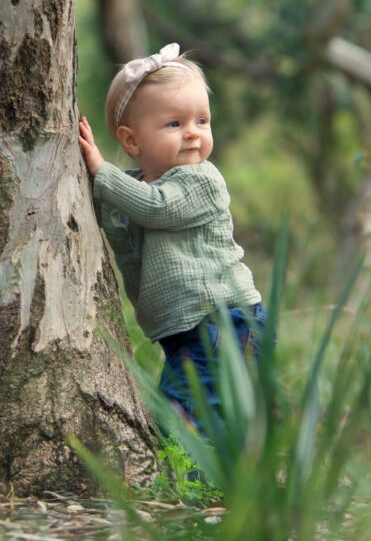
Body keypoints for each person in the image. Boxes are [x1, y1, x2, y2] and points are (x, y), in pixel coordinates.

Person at [76, 43, 267, 435]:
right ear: (132, 142)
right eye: (175, 124)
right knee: (196, 409)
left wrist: (100, 171)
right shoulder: (140, 187)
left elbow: (157, 208)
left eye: (202, 120)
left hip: (222, 320)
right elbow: (124, 220)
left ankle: (203, 484)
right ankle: (215, 477)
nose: (193, 133)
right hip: (192, 328)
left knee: (185, 414)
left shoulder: (203, 181)